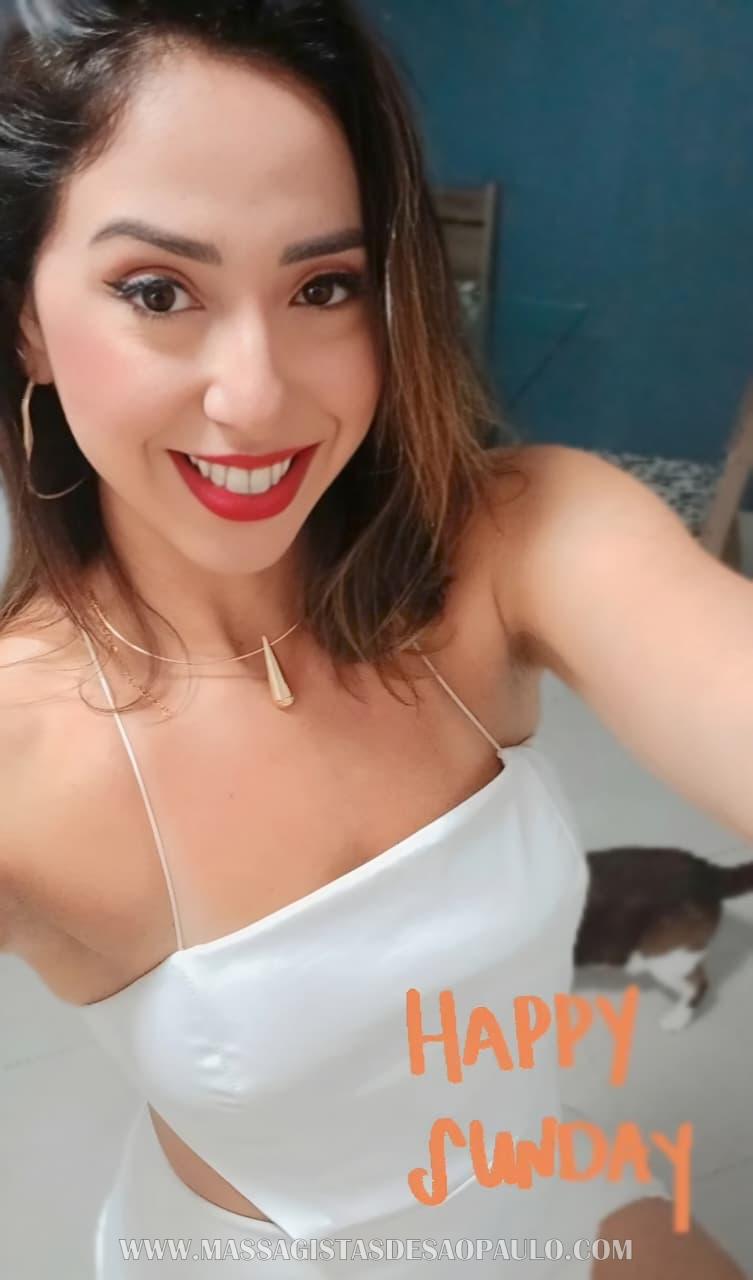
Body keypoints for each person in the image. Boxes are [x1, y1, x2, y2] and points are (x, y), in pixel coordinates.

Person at [0, 1, 749, 1275]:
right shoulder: (24, 752)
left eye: (324, 286)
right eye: (159, 291)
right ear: (26, 318)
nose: (256, 394)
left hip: (532, 1186)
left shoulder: (516, 543)